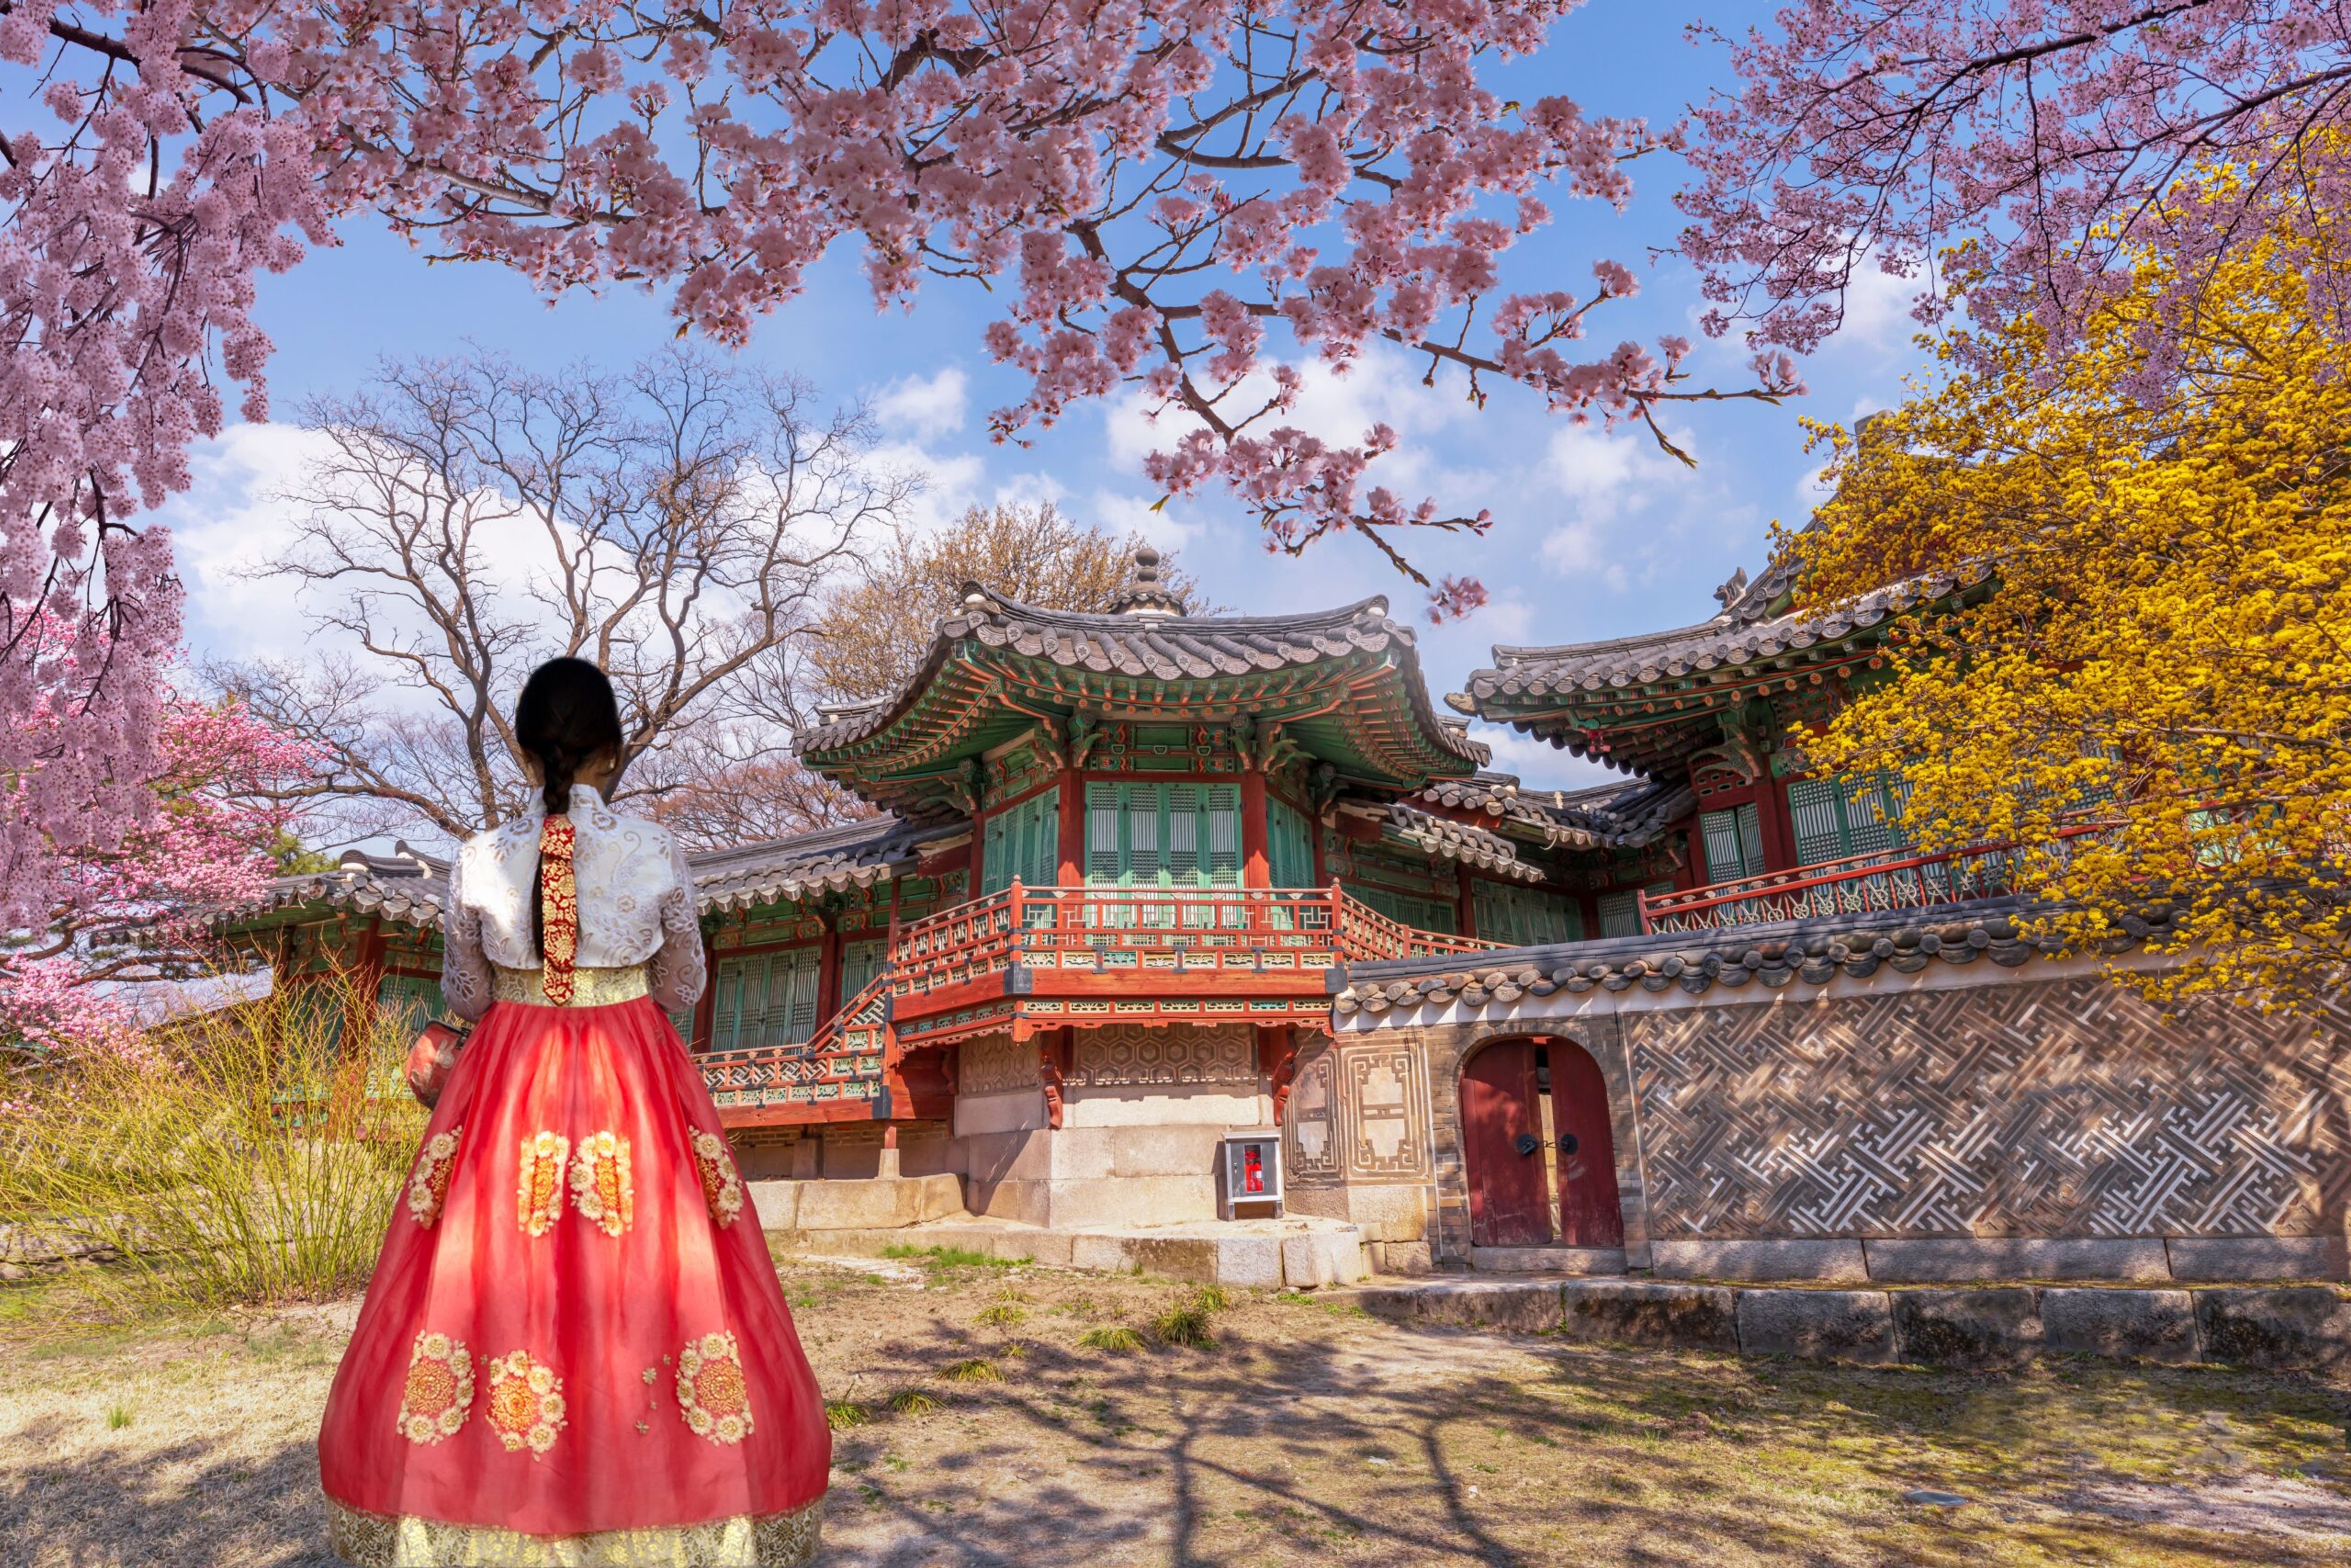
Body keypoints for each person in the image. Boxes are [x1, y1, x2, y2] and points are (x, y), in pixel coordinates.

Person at [318, 657, 829, 1566]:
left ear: (524, 752)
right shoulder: (657, 850)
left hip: (509, 1088)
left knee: (486, 1282)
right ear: (617, 751)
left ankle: (475, 1509)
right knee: (656, 1280)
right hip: (634, 1081)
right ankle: (669, 1505)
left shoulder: (479, 858)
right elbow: (683, 983)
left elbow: (466, 992)